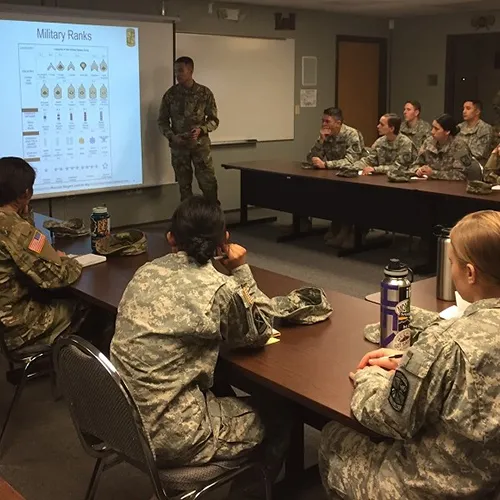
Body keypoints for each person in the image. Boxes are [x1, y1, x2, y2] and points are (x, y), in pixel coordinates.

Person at [319, 209, 500, 500]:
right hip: (490, 481)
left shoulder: (445, 343)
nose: (450, 270)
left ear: (470, 273)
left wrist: (371, 378)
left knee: (332, 436)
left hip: (431, 487)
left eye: (452, 263)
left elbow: (388, 419)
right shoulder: (447, 343)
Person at [110, 195, 289, 476]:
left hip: (122, 421)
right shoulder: (219, 288)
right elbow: (260, 330)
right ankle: (251, 493)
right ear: (224, 242)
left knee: (215, 379)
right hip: (171, 436)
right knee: (281, 413)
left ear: (170, 238)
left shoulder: (145, 271)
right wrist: (241, 270)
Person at [0, 157, 86, 351]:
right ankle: (80, 369)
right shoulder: (16, 229)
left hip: (3, 318)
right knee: (88, 307)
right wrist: (66, 260)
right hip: (17, 325)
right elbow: (57, 277)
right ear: (25, 193)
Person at [158, 56, 219, 203]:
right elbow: (162, 121)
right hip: (179, 149)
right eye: (175, 71)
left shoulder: (205, 93)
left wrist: (202, 129)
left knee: (208, 184)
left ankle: (214, 219)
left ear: (191, 70)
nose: (177, 75)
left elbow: (214, 120)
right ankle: (188, 221)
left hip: (200, 147)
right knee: (184, 187)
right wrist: (172, 136)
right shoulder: (170, 95)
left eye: (180, 71)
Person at [411, 113, 473, 180]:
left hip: (452, 188)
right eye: (432, 127)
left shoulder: (460, 147)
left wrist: (434, 174)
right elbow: (415, 164)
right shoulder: (428, 142)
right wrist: (418, 170)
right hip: (429, 185)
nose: (432, 131)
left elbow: (461, 175)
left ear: (447, 131)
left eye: (436, 129)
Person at [458, 100, 494, 166]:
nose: (464, 111)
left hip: (476, 166)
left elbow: (480, 153)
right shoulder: (459, 127)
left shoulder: (485, 128)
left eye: (468, 108)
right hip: (458, 163)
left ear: (477, 111)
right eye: (463, 108)